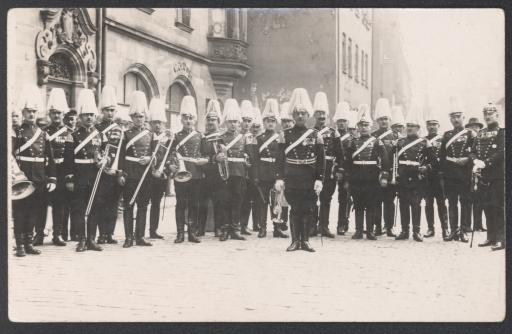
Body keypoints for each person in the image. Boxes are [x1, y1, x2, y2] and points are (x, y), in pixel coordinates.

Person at [275, 88, 325, 252]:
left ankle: (306, 240)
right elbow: (280, 158)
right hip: (293, 177)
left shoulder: (315, 134)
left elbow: (321, 160)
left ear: (308, 115)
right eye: (297, 113)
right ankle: (295, 241)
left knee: (308, 209)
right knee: (295, 209)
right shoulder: (285, 134)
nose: (300, 116)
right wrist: (279, 178)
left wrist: (319, 179)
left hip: (309, 177)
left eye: (303, 113)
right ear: (293, 115)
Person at [12, 84, 57, 257]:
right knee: (20, 211)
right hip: (22, 178)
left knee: (34, 211)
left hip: (39, 177)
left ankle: (29, 243)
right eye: (28, 111)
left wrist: (52, 178)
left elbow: (50, 159)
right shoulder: (17, 132)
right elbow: (10, 157)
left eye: (34, 111)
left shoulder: (43, 134)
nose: (31, 114)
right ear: (23, 113)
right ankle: (20, 244)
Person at [63, 89, 105, 252]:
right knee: (79, 208)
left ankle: (91, 239)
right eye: (86, 114)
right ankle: (81, 239)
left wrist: (104, 160)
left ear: (95, 117)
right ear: (80, 117)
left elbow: (106, 153)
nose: (89, 117)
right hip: (79, 174)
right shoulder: (72, 135)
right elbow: (68, 160)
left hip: (95, 175)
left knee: (94, 207)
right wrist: (70, 179)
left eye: (91, 115)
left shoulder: (100, 135)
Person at [345, 104, 389, 240]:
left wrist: (384, 176)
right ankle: (359, 230)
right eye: (361, 125)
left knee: (371, 205)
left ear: (370, 127)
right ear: (357, 127)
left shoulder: (377, 142)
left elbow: (385, 160)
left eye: (366, 125)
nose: (363, 127)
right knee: (358, 204)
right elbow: (347, 162)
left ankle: (370, 231)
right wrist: (347, 179)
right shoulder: (352, 142)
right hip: (356, 177)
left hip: (372, 177)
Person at [169, 95, 207, 243]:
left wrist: (204, 161)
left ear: (195, 119)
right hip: (181, 174)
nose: (188, 121)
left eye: (191, 118)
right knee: (180, 204)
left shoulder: (200, 136)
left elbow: (207, 155)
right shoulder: (175, 137)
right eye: (185, 118)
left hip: (196, 174)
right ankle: (180, 233)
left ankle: (192, 232)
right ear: (181, 119)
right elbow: (169, 156)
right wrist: (171, 166)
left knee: (194, 203)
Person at [216, 98, 256, 241]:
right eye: (230, 121)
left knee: (238, 200)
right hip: (225, 172)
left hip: (239, 172)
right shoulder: (219, 138)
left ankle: (235, 228)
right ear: (226, 122)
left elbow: (251, 158)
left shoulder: (244, 138)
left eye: (235, 122)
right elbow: (215, 154)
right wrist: (217, 157)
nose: (233, 124)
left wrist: (247, 158)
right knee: (225, 200)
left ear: (239, 123)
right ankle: (225, 229)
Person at [118, 91, 154, 248]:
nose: (139, 119)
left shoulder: (151, 135)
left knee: (143, 205)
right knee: (128, 205)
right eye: (137, 116)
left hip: (145, 174)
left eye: (142, 116)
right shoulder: (125, 135)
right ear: (132, 118)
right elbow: (120, 156)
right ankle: (128, 237)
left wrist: (150, 159)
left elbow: (155, 153)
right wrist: (120, 173)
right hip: (130, 172)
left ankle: (140, 236)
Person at [393, 110, 432, 242]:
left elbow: (432, 161)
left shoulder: (424, 143)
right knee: (403, 204)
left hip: (417, 177)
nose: (409, 128)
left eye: (413, 126)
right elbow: (392, 159)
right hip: (402, 176)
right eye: (408, 125)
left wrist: (425, 167)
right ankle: (405, 231)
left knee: (416, 204)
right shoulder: (399, 142)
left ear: (418, 128)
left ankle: (416, 231)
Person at [470, 103, 505, 251]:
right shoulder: (480, 133)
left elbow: (502, 152)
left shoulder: (502, 132)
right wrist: (475, 160)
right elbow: (472, 151)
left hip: (497, 175)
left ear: (497, 115)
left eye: (491, 114)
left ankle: (501, 240)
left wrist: (486, 162)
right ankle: (490, 237)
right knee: (487, 206)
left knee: (498, 207)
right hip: (483, 175)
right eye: (486, 114)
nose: (488, 117)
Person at [253, 98, 288, 238]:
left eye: (273, 121)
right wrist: (255, 175)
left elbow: (283, 158)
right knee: (262, 201)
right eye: (267, 121)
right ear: (264, 122)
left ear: (276, 122)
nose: (270, 123)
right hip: (262, 172)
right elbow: (255, 159)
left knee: (276, 200)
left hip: (275, 172)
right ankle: (262, 228)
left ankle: (277, 228)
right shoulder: (259, 138)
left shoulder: (280, 138)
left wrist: (282, 175)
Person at [309, 92, 342, 238]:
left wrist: (338, 170)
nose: (321, 117)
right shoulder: (309, 133)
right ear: (314, 116)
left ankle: (324, 226)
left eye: (323, 114)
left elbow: (340, 155)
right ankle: (311, 226)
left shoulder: (334, 134)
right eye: (318, 114)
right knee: (311, 198)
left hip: (329, 170)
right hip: (312, 170)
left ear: (327, 116)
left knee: (326, 199)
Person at [94, 86, 124, 245]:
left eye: (112, 110)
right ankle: (101, 234)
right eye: (107, 110)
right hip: (102, 172)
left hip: (115, 172)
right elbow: (95, 149)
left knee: (113, 204)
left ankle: (110, 233)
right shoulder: (97, 129)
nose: (110, 113)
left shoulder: (120, 129)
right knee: (101, 203)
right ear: (102, 111)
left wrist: (120, 171)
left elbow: (122, 151)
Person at [439, 105, 474, 242]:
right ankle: (454, 230)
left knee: (464, 202)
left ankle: (464, 230)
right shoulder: (447, 135)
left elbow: (475, 152)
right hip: (450, 173)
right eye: (453, 117)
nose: (455, 119)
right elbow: (442, 155)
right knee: (452, 202)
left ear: (463, 117)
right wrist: (442, 173)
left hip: (464, 172)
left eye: (458, 116)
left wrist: (467, 159)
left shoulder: (470, 134)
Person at [41, 88, 71, 246]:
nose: (56, 115)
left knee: (60, 203)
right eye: (53, 112)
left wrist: (70, 175)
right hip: (47, 171)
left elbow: (71, 156)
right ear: (49, 114)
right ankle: (39, 234)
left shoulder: (69, 132)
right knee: (44, 202)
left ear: (63, 114)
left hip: (63, 171)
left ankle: (58, 234)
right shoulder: (43, 132)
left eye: (59, 112)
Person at [199, 99, 225, 237]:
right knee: (202, 202)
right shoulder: (201, 137)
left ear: (218, 121)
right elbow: (198, 154)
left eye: (213, 120)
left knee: (219, 202)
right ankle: (201, 228)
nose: (210, 122)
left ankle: (218, 228)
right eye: (208, 120)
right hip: (204, 174)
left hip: (219, 174)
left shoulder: (223, 137)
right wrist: (213, 158)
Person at [371, 98, 397, 237]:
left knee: (389, 201)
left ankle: (389, 227)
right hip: (376, 173)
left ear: (389, 120)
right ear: (377, 121)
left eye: (386, 119)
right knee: (377, 200)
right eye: (381, 119)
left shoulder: (396, 136)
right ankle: (377, 226)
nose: (383, 122)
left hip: (391, 173)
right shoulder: (372, 136)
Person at [147, 98, 172, 240]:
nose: (157, 125)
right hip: (147, 174)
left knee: (156, 203)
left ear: (163, 123)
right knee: (143, 203)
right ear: (150, 123)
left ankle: (153, 230)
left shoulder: (167, 139)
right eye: (155, 122)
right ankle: (138, 231)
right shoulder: (146, 136)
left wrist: (166, 170)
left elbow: (170, 156)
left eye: (160, 122)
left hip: (160, 175)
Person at [422, 110, 449, 239]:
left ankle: (445, 229)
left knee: (441, 203)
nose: (432, 126)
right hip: (427, 176)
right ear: (426, 126)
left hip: (439, 175)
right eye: (429, 124)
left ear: (439, 126)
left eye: (434, 124)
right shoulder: (422, 140)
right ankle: (430, 228)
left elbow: (444, 158)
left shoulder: (443, 140)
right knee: (428, 203)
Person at [332, 101, 353, 235]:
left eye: (344, 121)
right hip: (331, 168)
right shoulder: (331, 135)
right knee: (324, 197)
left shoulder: (351, 138)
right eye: (339, 121)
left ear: (348, 123)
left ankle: (343, 223)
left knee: (344, 197)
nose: (341, 124)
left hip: (345, 171)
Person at [239, 100, 258, 234]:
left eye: (249, 121)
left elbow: (255, 157)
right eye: (244, 120)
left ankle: (244, 225)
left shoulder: (253, 138)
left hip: (249, 173)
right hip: (236, 172)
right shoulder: (236, 136)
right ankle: (232, 224)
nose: (246, 123)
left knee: (247, 200)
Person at [465, 116, 486, 232]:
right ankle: (468, 225)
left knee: (480, 199)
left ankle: (478, 224)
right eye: (472, 127)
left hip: (481, 172)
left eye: (476, 127)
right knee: (469, 199)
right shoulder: (466, 141)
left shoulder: (482, 141)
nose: (474, 129)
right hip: (468, 173)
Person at [276, 101, 294, 232]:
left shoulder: (296, 136)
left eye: (289, 121)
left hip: (294, 170)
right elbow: (279, 157)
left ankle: (291, 223)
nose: (287, 124)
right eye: (284, 121)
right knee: (280, 197)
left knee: (291, 197)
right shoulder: (279, 136)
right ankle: (280, 223)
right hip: (283, 170)